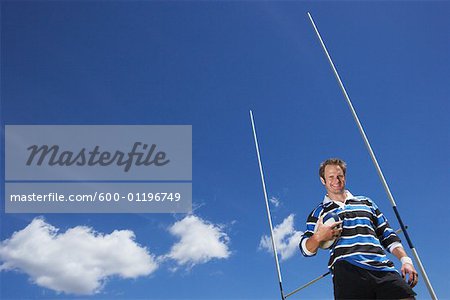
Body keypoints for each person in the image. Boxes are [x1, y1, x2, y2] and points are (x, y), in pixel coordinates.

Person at [299, 158, 418, 299]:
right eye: (330, 177)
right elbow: (305, 249)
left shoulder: (366, 202)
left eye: (340, 176)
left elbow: (387, 234)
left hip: (383, 270)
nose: (336, 180)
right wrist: (318, 237)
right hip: (347, 272)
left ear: (345, 177)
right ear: (323, 180)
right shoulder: (319, 213)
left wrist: (406, 261)